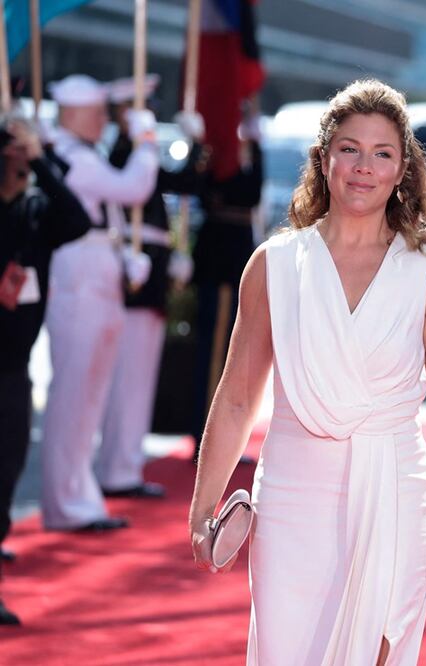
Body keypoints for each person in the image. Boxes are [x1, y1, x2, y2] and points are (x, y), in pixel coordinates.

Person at [188, 79, 426, 665]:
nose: (364, 166)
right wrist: (202, 506)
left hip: (393, 492)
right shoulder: (275, 265)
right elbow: (236, 396)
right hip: (291, 498)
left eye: (382, 152)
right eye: (350, 148)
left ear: (402, 170)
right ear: (324, 158)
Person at [39, 74, 157, 532]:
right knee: (74, 396)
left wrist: (123, 257)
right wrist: (147, 140)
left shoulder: (81, 154)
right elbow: (133, 189)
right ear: (73, 116)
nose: (104, 121)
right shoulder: (72, 157)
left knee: (89, 398)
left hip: (96, 277)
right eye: (97, 113)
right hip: (78, 285)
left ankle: (78, 497)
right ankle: (65, 503)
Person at [0, 116, 92, 625]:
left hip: (13, 369)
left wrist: (39, 158)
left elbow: (77, 218)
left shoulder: (37, 210)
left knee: (6, 472)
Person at [96, 76, 205, 499]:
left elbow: (181, 184)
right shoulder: (124, 153)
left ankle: (124, 464)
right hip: (134, 273)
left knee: (138, 377)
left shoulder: (138, 153)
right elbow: (136, 186)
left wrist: (196, 146)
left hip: (152, 268)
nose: (149, 115)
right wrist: (141, 138)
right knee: (127, 377)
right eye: (139, 108)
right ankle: (117, 468)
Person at [189, 106, 263, 463]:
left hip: (232, 261)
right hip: (221, 262)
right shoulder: (217, 156)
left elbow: (252, 193)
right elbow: (240, 191)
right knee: (216, 353)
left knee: (234, 357)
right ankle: (207, 436)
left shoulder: (240, 154)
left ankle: (222, 438)